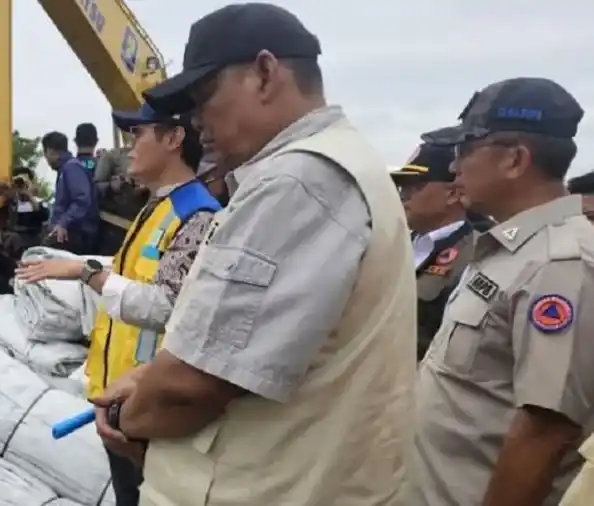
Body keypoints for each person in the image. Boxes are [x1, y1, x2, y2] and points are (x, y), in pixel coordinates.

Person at [90, 4, 417, 505]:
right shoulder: (345, 163)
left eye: (204, 98)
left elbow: (194, 383)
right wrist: (149, 379)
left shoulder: (296, 181)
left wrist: (124, 420)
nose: (198, 123)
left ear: (265, 73)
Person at [16, 103, 221, 506]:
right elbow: (137, 279)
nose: (128, 148)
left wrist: (84, 272)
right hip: (125, 401)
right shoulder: (157, 207)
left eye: (138, 135)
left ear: (174, 138)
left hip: (155, 406)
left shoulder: (196, 215)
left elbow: (165, 305)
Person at [410, 77, 594, 506]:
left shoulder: (560, 264)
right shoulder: (511, 248)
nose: (454, 167)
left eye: (465, 150)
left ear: (515, 159)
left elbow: (544, 431)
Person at [390, 143, 476, 360]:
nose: (403, 197)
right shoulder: (396, 242)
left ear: (452, 194)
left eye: (415, 187)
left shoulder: (476, 255)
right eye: (401, 188)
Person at [42, 131, 99, 254]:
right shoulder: (65, 169)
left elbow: (82, 200)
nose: (47, 160)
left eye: (46, 155)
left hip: (75, 233)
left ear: (51, 152)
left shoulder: (71, 168)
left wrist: (63, 223)